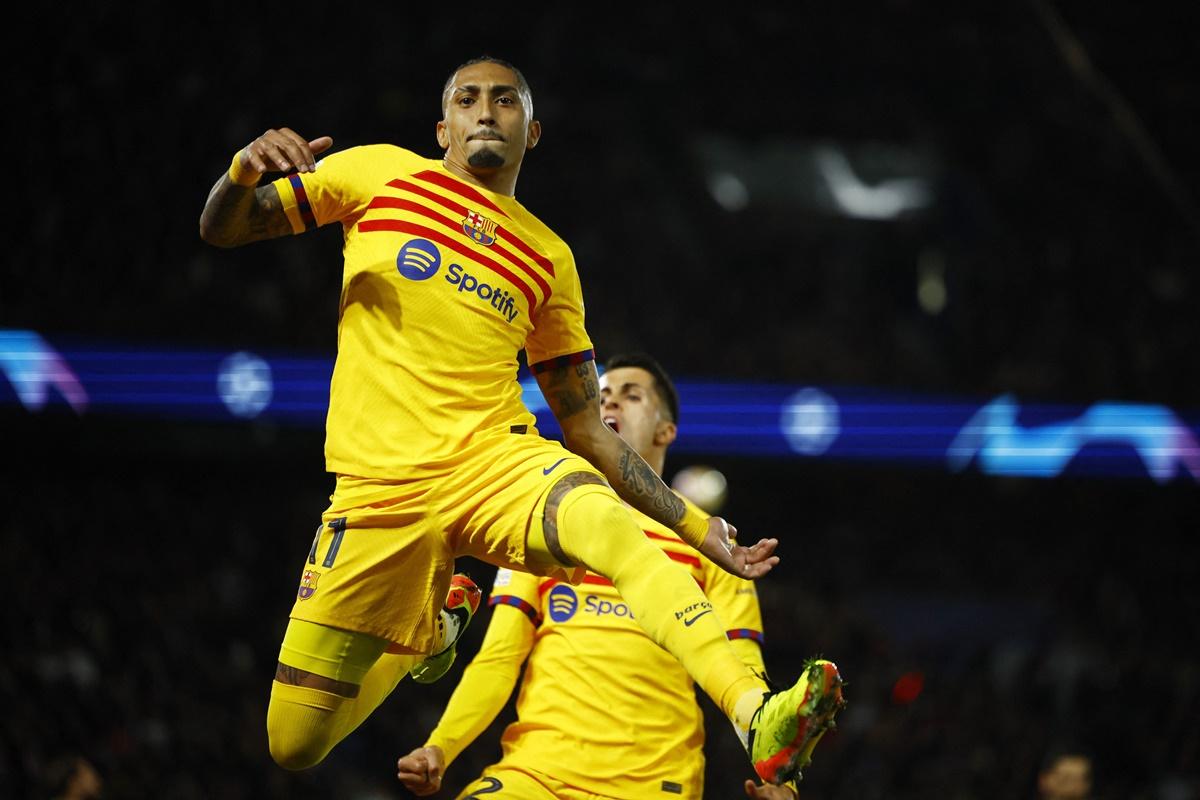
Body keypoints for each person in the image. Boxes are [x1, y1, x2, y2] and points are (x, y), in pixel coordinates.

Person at [198, 55, 843, 787]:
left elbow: (589, 429)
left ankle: (755, 715)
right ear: (442, 127)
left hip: (494, 464)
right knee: (293, 743)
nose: (486, 110)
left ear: (531, 132)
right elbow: (225, 228)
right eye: (468, 99)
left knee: (606, 526)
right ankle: (427, 642)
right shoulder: (378, 173)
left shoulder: (547, 257)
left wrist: (698, 529)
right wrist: (244, 171)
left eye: (505, 101)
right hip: (376, 493)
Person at [397, 352, 800, 799]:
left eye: (631, 396)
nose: (609, 404)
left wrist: (779, 777)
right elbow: (498, 659)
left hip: (653, 785)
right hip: (534, 775)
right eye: (602, 395)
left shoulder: (714, 547)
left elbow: (744, 671)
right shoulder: (546, 527)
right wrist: (441, 745)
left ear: (666, 430)